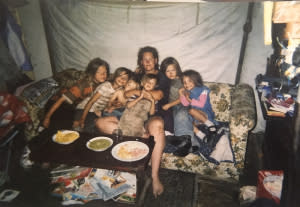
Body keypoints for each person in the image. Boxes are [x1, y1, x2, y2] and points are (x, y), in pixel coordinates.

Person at [95, 46, 166, 197]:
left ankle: (154, 177)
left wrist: (136, 92)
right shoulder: (137, 74)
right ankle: (123, 162)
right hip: (128, 114)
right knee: (100, 123)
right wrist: (125, 97)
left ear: (156, 60)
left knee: (158, 125)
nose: (147, 62)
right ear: (141, 61)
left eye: (150, 59)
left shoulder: (162, 76)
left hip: (149, 116)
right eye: (144, 59)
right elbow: (123, 93)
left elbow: (157, 95)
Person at [42, 57, 110, 129]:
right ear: (92, 73)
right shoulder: (82, 85)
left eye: (105, 72)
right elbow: (61, 100)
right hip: (57, 104)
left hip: (72, 106)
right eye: (99, 72)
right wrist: (47, 118)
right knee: (63, 128)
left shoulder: (101, 82)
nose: (103, 75)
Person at [73, 67, 132, 132]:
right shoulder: (106, 86)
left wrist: (110, 107)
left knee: (95, 127)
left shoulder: (119, 90)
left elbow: (110, 103)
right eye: (120, 76)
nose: (122, 79)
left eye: (125, 78)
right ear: (115, 76)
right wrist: (82, 118)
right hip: (84, 108)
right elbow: (91, 101)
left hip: (96, 111)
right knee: (80, 127)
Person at [179, 69, 218, 149]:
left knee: (191, 110)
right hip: (196, 119)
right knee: (186, 121)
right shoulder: (187, 92)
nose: (187, 84)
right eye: (184, 82)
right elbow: (185, 104)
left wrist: (190, 100)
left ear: (195, 80)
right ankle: (202, 136)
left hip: (205, 114)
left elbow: (201, 104)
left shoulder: (203, 89)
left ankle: (211, 125)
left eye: (189, 81)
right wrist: (181, 94)